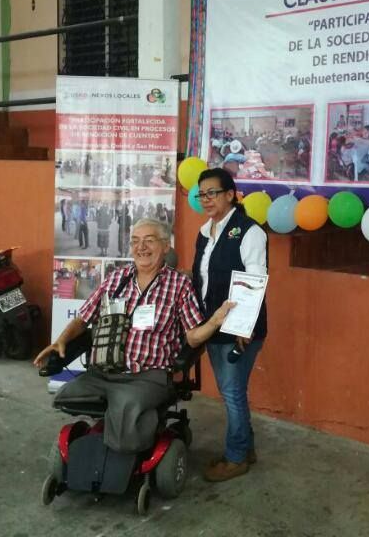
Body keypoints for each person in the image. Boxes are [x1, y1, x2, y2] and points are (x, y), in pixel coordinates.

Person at [34, 219, 233, 454]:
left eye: (149, 240)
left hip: (148, 376)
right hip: (105, 372)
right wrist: (61, 340)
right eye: (135, 241)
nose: (141, 247)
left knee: (127, 415)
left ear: (165, 246)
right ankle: (119, 429)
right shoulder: (116, 279)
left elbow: (192, 337)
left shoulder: (179, 285)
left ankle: (132, 441)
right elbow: (83, 318)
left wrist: (215, 321)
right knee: (68, 395)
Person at [191, 168, 267, 483]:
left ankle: (236, 458)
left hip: (239, 330)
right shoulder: (204, 232)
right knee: (231, 391)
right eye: (202, 194)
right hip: (212, 325)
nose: (206, 199)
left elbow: (254, 280)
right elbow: (201, 277)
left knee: (232, 392)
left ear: (230, 195)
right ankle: (245, 448)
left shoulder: (249, 231)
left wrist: (242, 327)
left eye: (212, 193)